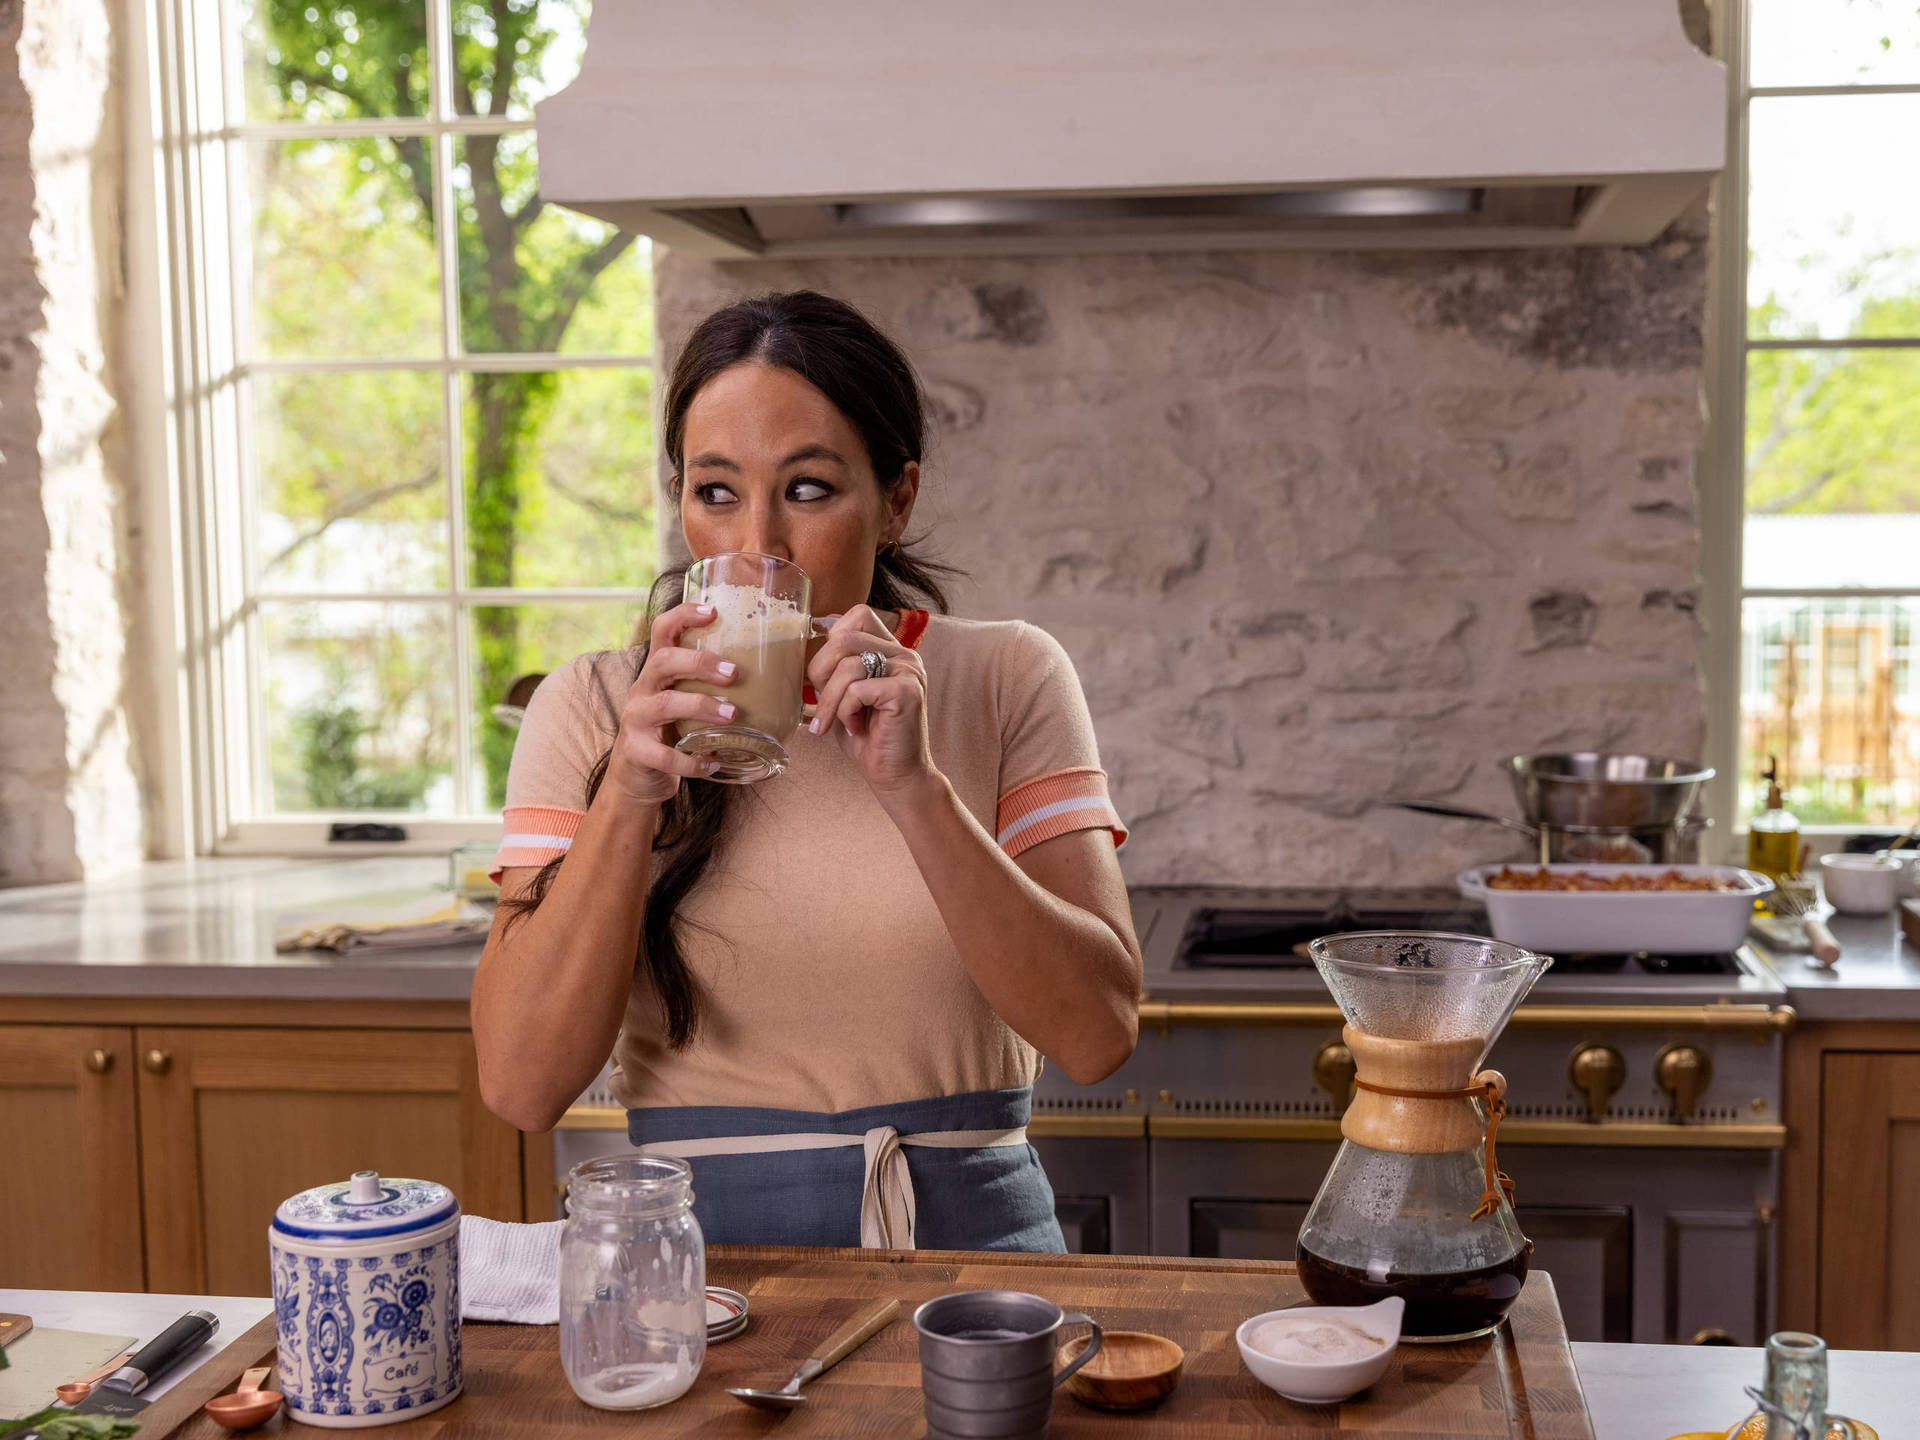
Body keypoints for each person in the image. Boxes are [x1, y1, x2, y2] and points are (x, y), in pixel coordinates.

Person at [471, 290, 1140, 1251]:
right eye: (716, 493)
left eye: (809, 489)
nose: (758, 548)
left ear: (895, 501)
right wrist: (627, 792)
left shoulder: (1006, 677)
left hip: (973, 1281)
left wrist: (917, 790)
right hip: (696, 1286)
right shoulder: (588, 707)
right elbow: (522, 1087)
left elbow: (1096, 1035)